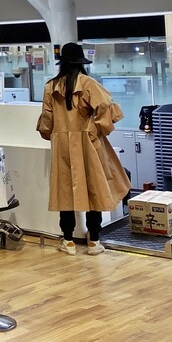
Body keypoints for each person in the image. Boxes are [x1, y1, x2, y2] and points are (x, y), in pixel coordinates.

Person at [36, 42, 130, 256]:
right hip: (87, 144)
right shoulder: (88, 83)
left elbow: (46, 121)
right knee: (93, 189)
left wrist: (52, 133)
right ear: (81, 63)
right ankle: (94, 241)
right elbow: (106, 108)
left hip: (62, 146)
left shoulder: (51, 87)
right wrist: (94, 130)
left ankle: (68, 241)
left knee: (64, 191)